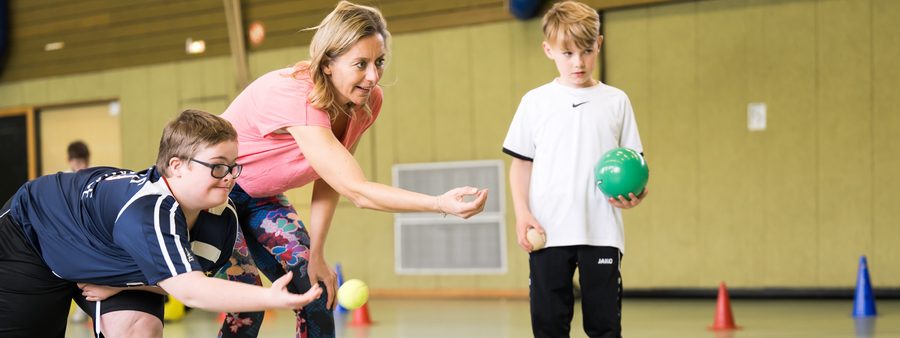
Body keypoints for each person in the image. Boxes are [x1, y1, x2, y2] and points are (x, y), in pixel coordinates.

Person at [217, 1, 488, 337]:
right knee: (247, 306)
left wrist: (317, 253)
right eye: (361, 64)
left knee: (315, 292)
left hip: (263, 196)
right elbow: (356, 191)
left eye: (380, 62)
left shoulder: (365, 103)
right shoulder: (296, 93)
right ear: (328, 63)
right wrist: (438, 203)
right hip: (214, 195)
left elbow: (332, 181)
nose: (373, 76)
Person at [0, 109, 322, 338]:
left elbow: (182, 280)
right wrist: (272, 298)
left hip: (107, 259)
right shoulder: (150, 213)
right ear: (176, 166)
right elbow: (192, 292)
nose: (229, 178)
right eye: (217, 167)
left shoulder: (220, 223)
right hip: (33, 240)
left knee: (140, 330)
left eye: (233, 167)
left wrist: (117, 284)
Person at [501, 2, 648, 337]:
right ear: (548, 50)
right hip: (548, 232)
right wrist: (522, 213)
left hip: (602, 232)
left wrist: (634, 194)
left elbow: (633, 163)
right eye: (567, 53)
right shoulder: (535, 102)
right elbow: (521, 164)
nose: (578, 62)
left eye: (586, 50)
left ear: (599, 43)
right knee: (549, 326)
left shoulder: (616, 101)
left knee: (604, 326)